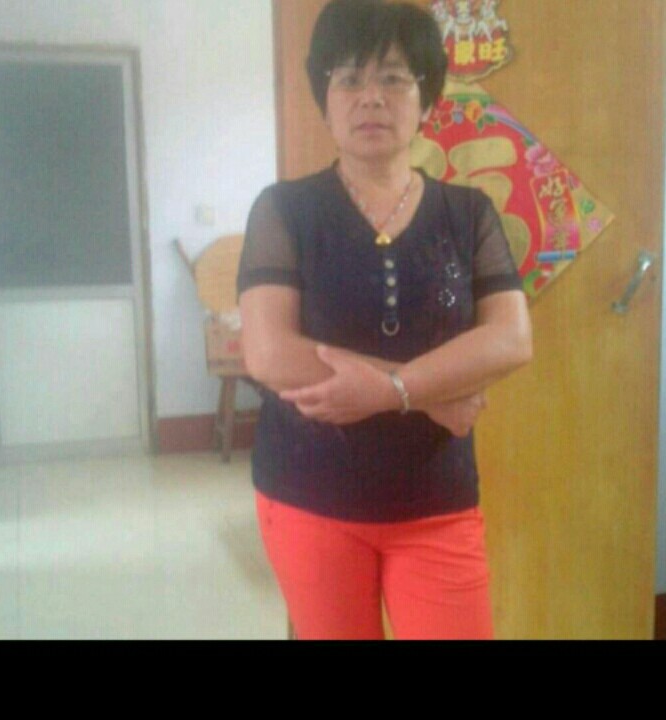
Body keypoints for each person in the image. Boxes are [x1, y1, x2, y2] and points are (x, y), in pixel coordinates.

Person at [237, 0, 532, 640]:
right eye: (349, 78)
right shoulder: (284, 210)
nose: (371, 97)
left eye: (394, 78)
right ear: (325, 98)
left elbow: (510, 338)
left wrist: (391, 390)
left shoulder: (469, 213)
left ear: (426, 99)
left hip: (437, 500)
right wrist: (422, 393)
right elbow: (267, 352)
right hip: (308, 493)